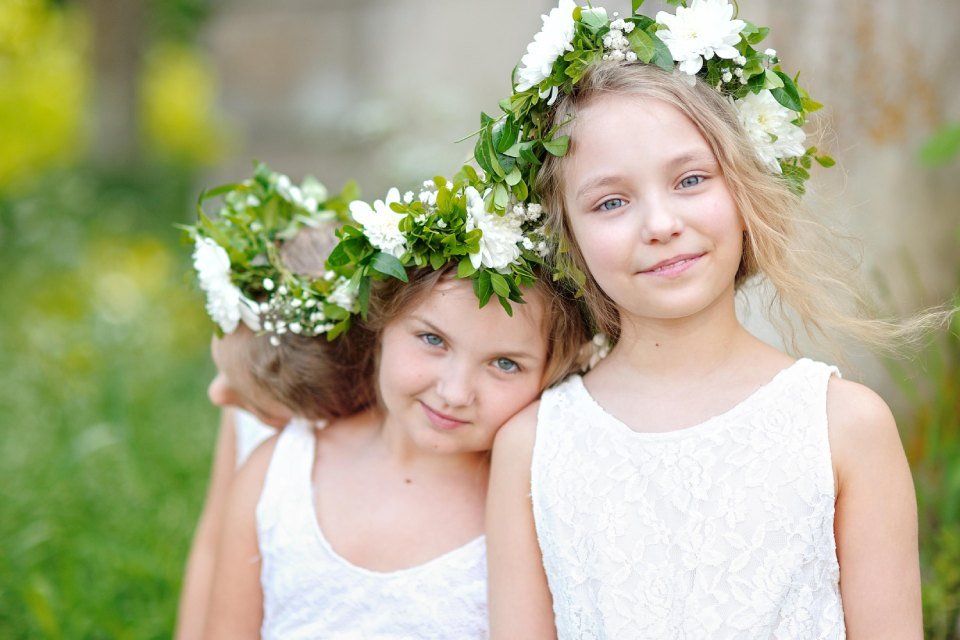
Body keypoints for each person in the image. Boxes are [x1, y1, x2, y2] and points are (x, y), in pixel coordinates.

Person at [484, 2, 947, 638]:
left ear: (744, 188)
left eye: (691, 179)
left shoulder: (844, 426)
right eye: (611, 201)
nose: (661, 224)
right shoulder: (533, 447)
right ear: (567, 235)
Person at [203, 176, 590, 638]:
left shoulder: (534, 509)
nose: (454, 392)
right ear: (380, 322)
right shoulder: (279, 474)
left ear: (551, 370)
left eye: (505, 363)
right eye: (432, 340)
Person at [174, 167, 373, 639]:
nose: (216, 394)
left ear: (323, 416)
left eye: (247, 401)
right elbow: (211, 541)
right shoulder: (254, 400)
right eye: (223, 372)